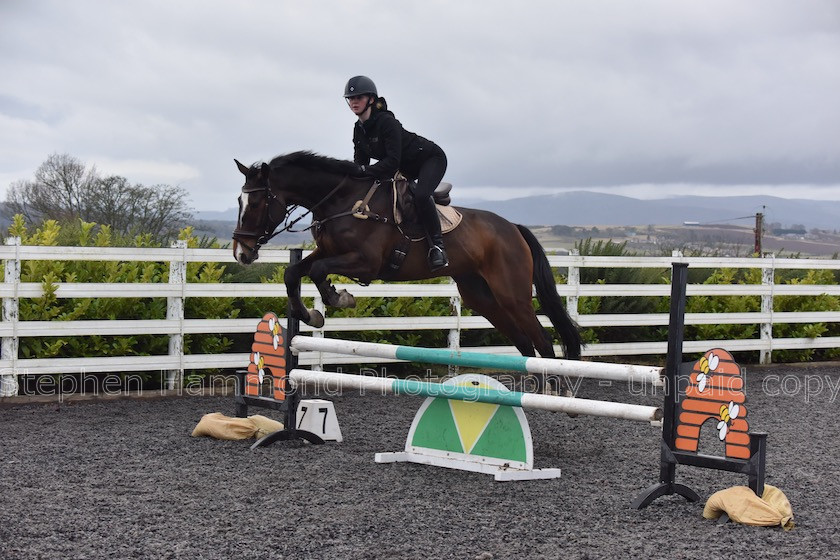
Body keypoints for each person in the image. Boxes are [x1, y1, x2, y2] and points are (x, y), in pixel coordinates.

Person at [344, 75, 449, 271]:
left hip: (430, 160)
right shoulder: (358, 129)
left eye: (358, 97)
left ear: (371, 100)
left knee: (421, 195)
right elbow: (361, 165)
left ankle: (437, 247)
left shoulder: (386, 122)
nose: (353, 102)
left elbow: (391, 163)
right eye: (350, 98)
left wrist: (363, 170)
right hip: (405, 166)